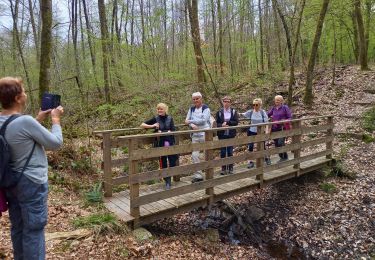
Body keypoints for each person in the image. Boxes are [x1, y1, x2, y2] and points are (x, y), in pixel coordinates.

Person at [0, 77, 64, 260]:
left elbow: (16, 136)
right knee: (34, 230)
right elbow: (56, 143)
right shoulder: (25, 122)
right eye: (23, 90)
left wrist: (38, 119)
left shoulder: (9, 121)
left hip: (10, 182)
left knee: (18, 227)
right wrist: (55, 120)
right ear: (18, 98)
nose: (26, 93)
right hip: (31, 182)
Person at [141, 103, 177, 189]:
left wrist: (169, 132)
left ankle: (169, 176)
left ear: (165, 110)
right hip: (160, 142)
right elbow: (142, 125)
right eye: (158, 109)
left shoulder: (170, 118)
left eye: (161, 109)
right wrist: (153, 126)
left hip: (169, 142)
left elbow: (174, 129)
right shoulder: (156, 119)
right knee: (163, 161)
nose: (159, 111)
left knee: (172, 160)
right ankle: (167, 181)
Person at [185, 92, 211, 183]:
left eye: (197, 98)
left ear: (201, 99)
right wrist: (192, 125)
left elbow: (203, 121)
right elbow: (186, 121)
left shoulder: (206, 108)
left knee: (207, 154)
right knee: (194, 155)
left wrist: (191, 121)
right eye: (194, 99)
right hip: (195, 135)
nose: (195, 100)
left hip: (205, 134)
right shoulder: (191, 109)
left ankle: (209, 173)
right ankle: (198, 176)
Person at [241, 98, 271, 168]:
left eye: (256, 105)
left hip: (260, 132)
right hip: (251, 131)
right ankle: (250, 162)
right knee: (250, 146)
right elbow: (243, 114)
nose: (255, 106)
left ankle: (266, 158)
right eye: (253, 104)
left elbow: (267, 122)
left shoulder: (262, 112)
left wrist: (266, 131)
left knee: (262, 146)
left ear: (260, 105)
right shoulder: (251, 112)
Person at [215, 96, 239, 175]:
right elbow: (217, 124)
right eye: (225, 101)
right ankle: (223, 168)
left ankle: (230, 167)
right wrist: (221, 125)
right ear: (223, 102)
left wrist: (228, 123)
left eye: (228, 101)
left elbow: (236, 122)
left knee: (229, 151)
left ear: (230, 103)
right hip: (222, 134)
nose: (226, 103)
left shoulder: (233, 111)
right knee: (222, 152)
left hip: (230, 134)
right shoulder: (219, 112)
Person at [267, 95, 292, 162]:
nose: (277, 101)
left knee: (280, 142)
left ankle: (285, 157)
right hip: (275, 128)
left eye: (278, 100)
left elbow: (290, 117)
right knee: (276, 144)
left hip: (282, 128)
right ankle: (282, 157)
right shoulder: (273, 108)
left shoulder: (285, 107)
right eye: (276, 100)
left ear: (281, 101)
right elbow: (267, 114)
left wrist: (284, 121)